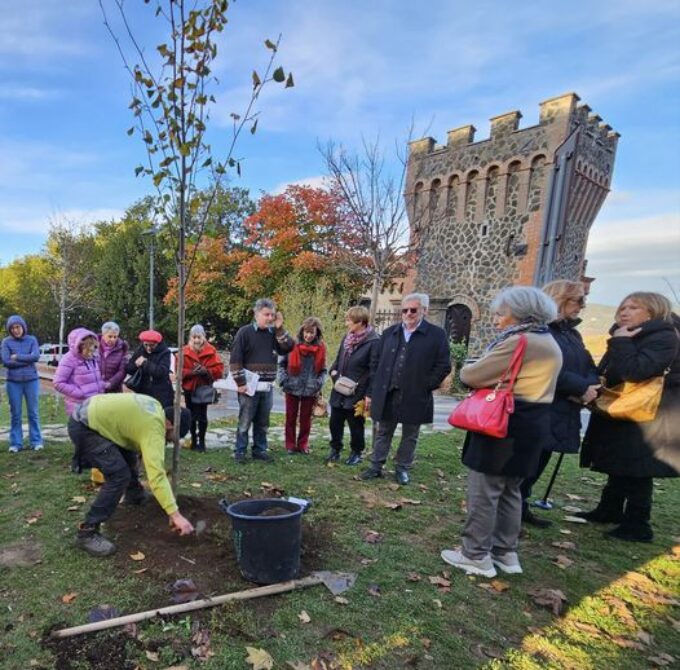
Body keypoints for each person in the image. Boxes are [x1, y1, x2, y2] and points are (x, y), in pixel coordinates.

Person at [441, 286, 562, 577]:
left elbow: (470, 375)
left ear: (520, 314)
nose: (497, 320)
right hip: (532, 423)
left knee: (485, 491)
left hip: (504, 424)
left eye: (502, 314)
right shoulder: (549, 341)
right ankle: (506, 553)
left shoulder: (520, 341)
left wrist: (471, 368)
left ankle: (475, 555)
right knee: (511, 491)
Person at [578, 292, 679, 543]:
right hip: (631, 409)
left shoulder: (664, 336)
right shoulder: (631, 333)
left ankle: (637, 524)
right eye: (623, 307)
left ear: (652, 311)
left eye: (633, 307)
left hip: (650, 413)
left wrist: (621, 343)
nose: (624, 311)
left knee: (637, 468)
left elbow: (636, 371)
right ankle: (610, 508)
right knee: (622, 463)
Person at [68, 393, 194, 556]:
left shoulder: (155, 406)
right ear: (169, 425)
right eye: (171, 438)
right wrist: (175, 515)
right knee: (118, 475)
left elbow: (132, 431)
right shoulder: (154, 428)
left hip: (95, 417)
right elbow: (156, 475)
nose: (169, 442)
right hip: (86, 427)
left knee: (128, 455)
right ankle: (87, 532)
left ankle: (134, 495)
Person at [520, 280, 600, 527]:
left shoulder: (572, 334)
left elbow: (588, 366)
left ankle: (521, 507)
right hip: (541, 406)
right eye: (577, 300)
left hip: (563, 408)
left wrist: (590, 387)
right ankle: (512, 511)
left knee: (540, 460)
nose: (581, 306)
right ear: (559, 300)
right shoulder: (541, 331)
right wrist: (579, 388)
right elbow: (547, 368)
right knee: (526, 463)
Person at [361, 293, 451, 484]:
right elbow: (375, 364)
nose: (408, 313)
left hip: (416, 394)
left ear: (424, 311)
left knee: (410, 434)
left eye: (413, 310)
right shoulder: (389, 333)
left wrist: (426, 385)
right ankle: (376, 466)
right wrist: (372, 391)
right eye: (405, 310)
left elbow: (443, 365)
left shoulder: (437, 335)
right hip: (388, 391)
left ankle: (402, 469)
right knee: (383, 430)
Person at [229, 298, 294, 463]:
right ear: (256, 314)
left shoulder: (274, 334)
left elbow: (288, 347)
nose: (270, 318)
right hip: (249, 385)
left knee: (263, 421)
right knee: (245, 420)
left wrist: (280, 329)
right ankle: (240, 451)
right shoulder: (245, 332)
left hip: (267, 386)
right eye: (266, 314)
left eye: (272, 314)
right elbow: (236, 359)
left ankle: (260, 450)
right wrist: (241, 383)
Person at [326, 306, 379, 466]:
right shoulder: (347, 338)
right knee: (334, 421)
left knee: (355, 425)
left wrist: (368, 394)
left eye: (349, 320)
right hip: (340, 388)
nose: (346, 323)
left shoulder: (374, 342)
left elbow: (374, 370)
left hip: (358, 391)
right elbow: (338, 358)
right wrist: (333, 372)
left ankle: (356, 452)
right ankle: (335, 448)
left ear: (361, 322)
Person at [279, 317, 327, 455]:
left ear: (317, 333)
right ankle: (290, 444)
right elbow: (281, 364)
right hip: (292, 386)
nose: (308, 335)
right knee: (290, 417)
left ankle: (303, 444)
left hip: (310, 388)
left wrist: (318, 383)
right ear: (302, 331)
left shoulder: (321, 348)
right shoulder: (292, 345)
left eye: (312, 333)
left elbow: (324, 370)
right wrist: (283, 380)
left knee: (306, 419)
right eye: (306, 332)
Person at [1, 315, 43, 452]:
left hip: (32, 381)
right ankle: (16, 443)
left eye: (17, 327)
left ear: (23, 327)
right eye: (12, 328)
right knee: (16, 414)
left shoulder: (32, 340)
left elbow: (35, 356)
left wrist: (17, 357)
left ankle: (36, 441)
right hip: (13, 382)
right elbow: (6, 361)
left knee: (33, 413)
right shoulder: (6, 342)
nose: (15, 330)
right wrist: (27, 360)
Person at [180, 324, 224, 452]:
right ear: (190, 338)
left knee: (202, 416)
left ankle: (202, 442)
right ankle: (194, 440)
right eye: (194, 337)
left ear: (204, 337)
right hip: (189, 388)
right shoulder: (184, 352)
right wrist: (192, 372)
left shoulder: (211, 351)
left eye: (199, 337)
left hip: (203, 388)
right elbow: (179, 371)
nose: (197, 340)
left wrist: (206, 371)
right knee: (191, 416)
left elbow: (219, 370)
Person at [53, 328, 106, 415]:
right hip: (78, 407)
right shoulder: (68, 359)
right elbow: (58, 383)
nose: (92, 351)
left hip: (95, 404)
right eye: (89, 348)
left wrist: (102, 385)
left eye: (94, 347)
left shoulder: (93, 357)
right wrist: (80, 393)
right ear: (80, 346)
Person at [125, 329, 174, 408]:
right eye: (146, 345)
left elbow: (161, 372)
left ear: (157, 343)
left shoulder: (165, 352)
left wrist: (145, 363)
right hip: (143, 393)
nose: (148, 348)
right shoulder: (140, 350)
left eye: (151, 345)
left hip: (161, 394)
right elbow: (129, 369)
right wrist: (136, 365)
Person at [98, 321, 129, 393]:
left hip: (114, 389)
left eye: (115, 337)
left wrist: (110, 383)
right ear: (103, 334)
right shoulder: (94, 347)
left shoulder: (122, 349)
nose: (113, 339)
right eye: (110, 336)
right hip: (96, 388)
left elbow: (122, 370)